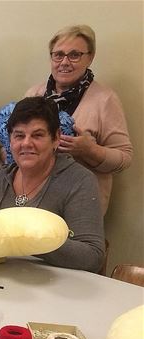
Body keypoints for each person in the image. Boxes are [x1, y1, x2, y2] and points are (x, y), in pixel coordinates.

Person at [25, 25, 132, 214]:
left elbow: (124, 158)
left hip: (79, 207)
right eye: (58, 55)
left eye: (74, 55)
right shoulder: (34, 94)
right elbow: (13, 140)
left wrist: (90, 151)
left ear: (90, 57)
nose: (64, 62)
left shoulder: (105, 99)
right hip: (32, 202)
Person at [0, 96, 105, 272]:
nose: (26, 143)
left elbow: (91, 256)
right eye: (19, 136)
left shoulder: (78, 181)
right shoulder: (1, 179)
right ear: (10, 140)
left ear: (56, 138)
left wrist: (28, 238)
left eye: (37, 135)